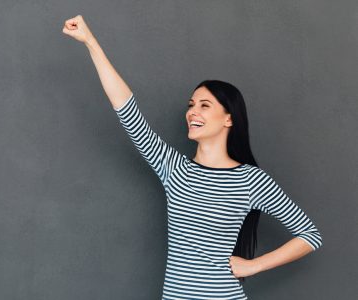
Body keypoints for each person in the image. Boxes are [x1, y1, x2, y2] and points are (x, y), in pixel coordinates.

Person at [62, 15, 323, 300]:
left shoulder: (250, 180)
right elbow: (126, 108)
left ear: (228, 119)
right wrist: (90, 42)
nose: (192, 112)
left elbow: (310, 235)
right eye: (191, 105)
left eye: (205, 105)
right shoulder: (173, 168)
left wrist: (254, 265)